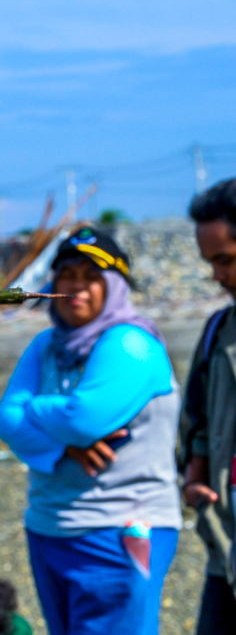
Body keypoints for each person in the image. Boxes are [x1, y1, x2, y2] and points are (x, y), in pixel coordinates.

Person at [0, 227, 181, 635]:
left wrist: (37, 409)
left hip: (120, 528)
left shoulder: (131, 342)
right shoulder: (47, 345)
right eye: (66, 274)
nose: (76, 286)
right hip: (49, 525)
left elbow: (84, 419)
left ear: (114, 285)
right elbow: (6, 421)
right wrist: (63, 449)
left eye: (91, 276)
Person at [180, 178, 236, 635]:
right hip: (226, 549)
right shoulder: (219, 330)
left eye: (226, 260)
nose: (218, 275)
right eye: (211, 264)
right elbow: (198, 416)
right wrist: (195, 474)